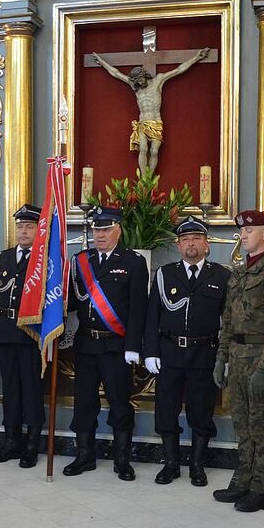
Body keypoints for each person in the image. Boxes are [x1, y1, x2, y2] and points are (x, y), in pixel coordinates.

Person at [144, 216, 230, 486]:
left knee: (201, 411)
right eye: (185, 239)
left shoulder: (223, 275)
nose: (190, 243)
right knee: (166, 409)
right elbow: (152, 316)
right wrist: (151, 352)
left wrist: (225, 357)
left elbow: (228, 319)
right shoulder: (164, 274)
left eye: (196, 238)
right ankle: (170, 463)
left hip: (205, 353)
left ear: (207, 245)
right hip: (170, 352)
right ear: (178, 245)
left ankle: (196, 465)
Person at [64, 206, 148, 480]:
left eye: (106, 229)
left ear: (118, 230)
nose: (100, 235)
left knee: (119, 402)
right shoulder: (81, 261)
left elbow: (138, 309)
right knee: (84, 402)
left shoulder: (133, 262)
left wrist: (134, 346)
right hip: (87, 344)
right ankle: (84, 455)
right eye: (97, 229)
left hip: (116, 347)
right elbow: (72, 303)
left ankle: (121, 458)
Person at [212, 211, 264, 509]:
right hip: (238, 358)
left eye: (250, 231)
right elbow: (227, 322)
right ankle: (243, 478)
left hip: (260, 360)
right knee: (242, 425)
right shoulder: (240, 274)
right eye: (242, 231)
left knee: (260, 426)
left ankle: (261, 484)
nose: (243, 236)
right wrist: (221, 359)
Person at [0, 205, 45, 468]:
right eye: (20, 226)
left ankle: (31, 445)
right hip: (7, 332)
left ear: (38, 230)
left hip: (32, 335)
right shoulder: (3, 258)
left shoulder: (43, 260)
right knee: (10, 391)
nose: (23, 231)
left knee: (31, 391)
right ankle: (11, 442)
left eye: (29, 226)